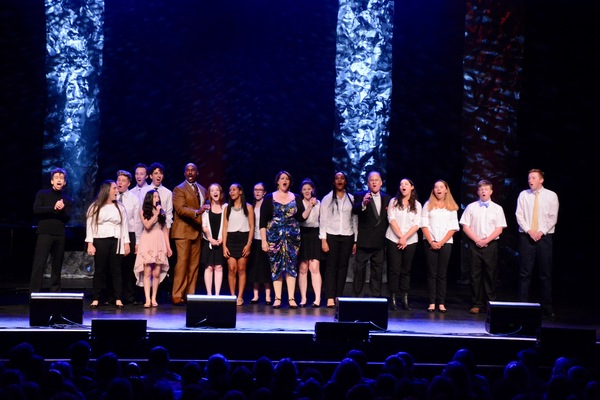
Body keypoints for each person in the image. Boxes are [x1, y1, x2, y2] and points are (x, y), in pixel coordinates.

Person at [259, 170, 307, 309]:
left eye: (287, 178)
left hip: (292, 237)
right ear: (278, 182)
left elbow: (301, 218)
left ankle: (291, 298)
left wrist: (310, 207)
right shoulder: (269, 198)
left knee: (291, 266)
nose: (284, 180)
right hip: (274, 236)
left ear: (289, 182)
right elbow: (262, 222)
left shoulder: (296, 197)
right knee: (276, 266)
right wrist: (264, 240)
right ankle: (278, 298)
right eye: (282, 178)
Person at [515, 168, 559, 318]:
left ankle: (547, 306)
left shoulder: (551, 195)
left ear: (541, 180)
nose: (530, 180)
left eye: (533, 178)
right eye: (529, 178)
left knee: (545, 273)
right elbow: (519, 215)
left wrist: (541, 232)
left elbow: (553, 217)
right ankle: (522, 306)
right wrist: (529, 231)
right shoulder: (523, 195)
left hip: (544, 237)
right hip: (527, 236)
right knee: (524, 273)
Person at [459, 179, 507, 314]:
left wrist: (486, 241)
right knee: (474, 275)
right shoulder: (471, 207)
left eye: (485, 189)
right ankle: (476, 303)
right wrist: (477, 240)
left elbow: (499, 229)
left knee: (490, 274)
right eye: (480, 189)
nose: (483, 191)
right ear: (478, 192)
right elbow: (465, 226)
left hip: (490, 244)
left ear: (491, 191)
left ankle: (490, 303)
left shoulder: (497, 208)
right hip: (475, 244)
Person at [85, 180, 130, 309]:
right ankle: (96, 298)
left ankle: (117, 298)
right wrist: (90, 243)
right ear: (107, 190)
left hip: (115, 240)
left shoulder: (120, 207)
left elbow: (124, 226)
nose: (117, 191)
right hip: (100, 240)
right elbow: (90, 225)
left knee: (116, 270)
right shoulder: (95, 207)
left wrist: (126, 243)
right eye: (114, 188)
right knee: (99, 270)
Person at [29, 167, 74, 293]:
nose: (59, 180)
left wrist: (62, 209)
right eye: (56, 178)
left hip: (59, 235)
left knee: (57, 265)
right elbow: (36, 210)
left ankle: (55, 293)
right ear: (52, 181)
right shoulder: (42, 194)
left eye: (62, 178)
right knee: (39, 264)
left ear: (64, 182)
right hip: (44, 233)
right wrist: (53, 208)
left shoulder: (68, 200)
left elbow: (67, 218)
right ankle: (34, 293)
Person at [170, 163, 208, 305]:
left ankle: (189, 294)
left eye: (193, 170)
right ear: (184, 173)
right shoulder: (179, 189)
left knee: (194, 265)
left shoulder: (203, 190)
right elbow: (180, 209)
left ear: (197, 173)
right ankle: (177, 294)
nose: (190, 172)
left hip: (197, 232)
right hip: (183, 231)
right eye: (188, 170)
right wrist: (197, 212)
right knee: (182, 264)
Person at [421, 179, 460, 313]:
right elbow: (424, 225)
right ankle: (432, 302)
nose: (438, 189)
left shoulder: (452, 207)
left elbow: (453, 227)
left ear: (446, 190)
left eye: (441, 187)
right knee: (432, 273)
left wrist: (441, 242)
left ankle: (441, 303)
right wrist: (432, 241)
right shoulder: (427, 205)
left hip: (446, 243)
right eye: (436, 187)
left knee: (442, 274)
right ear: (433, 190)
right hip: (430, 242)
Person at [319, 172, 357, 308]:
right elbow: (322, 220)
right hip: (331, 235)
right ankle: (329, 296)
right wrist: (323, 239)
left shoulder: (351, 198)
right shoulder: (327, 199)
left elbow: (355, 220)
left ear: (345, 182)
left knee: (343, 267)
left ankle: (338, 296)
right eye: (337, 178)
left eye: (342, 178)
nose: (339, 180)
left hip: (347, 235)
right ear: (333, 182)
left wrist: (355, 241)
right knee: (331, 267)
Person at [352, 171, 392, 298]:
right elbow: (355, 210)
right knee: (359, 271)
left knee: (377, 271)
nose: (374, 182)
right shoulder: (360, 195)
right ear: (368, 183)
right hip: (364, 241)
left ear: (381, 182)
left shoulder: (387, 198)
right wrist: (363, 204)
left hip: (379, 242)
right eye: (371, 180)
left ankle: (375, 297)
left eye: (376, 180)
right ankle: (357, 297)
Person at [385, 178, 422, 311]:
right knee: (394, 269)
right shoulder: (393, 202)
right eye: (401, 184)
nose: (403, 186)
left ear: (412, 187)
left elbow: (417, 224)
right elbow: (391, 219)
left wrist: (405, 238)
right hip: (394, 238)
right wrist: (401, 237)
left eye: (406, 184)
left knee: (406, 270)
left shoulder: (417, 205)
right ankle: (393, 300)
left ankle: (405, 300)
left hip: (410, 240)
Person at [134, 189, 172, 307]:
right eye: (155, 197)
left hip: (159, 240)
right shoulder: (143, 211)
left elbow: (164, 230)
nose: (157, 199)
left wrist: (168, 247)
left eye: (158, 196)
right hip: (148, 240)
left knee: (156, 272)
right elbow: (147, 225)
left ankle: (154, 298)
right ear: (150, 198)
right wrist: (155, 213)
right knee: (147, 271)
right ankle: (147, 299)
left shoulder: (161, 212)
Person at [223, 183, 254, 306]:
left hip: (243, 238)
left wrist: (248, 244)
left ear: (240, 191)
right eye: (230, 190)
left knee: (241, 269)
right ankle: (232, 296)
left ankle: (240, 296)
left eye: (234, 190)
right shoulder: (227, 208)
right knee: (231, 269)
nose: (231, 192)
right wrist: (224, 246)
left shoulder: (248, 207)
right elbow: (224, 228)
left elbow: (252, 227)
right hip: (231, 239)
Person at [116, 169, 142, 305]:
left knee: (128, 267)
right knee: (115, 267)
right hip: (115, 234)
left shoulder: (134, 199)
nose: (120, 183)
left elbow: (138, 221)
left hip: (130, 234)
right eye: (118, 180)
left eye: (123, 180)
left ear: (129, 183)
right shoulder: (112, 197)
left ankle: (129, 296)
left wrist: (137, 241)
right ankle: (114, 296)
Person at [297, 178, 323, 307]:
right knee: (303, 268)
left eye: (309, 189)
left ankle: (317, 298)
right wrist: (309, 206)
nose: (307, 191)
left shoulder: (319, 203)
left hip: (315, 235)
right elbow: (302, 219)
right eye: (304, 189)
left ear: (313, 189)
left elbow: (322, 220)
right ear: (301, 191)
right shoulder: (299, 202)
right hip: (302, 234)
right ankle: (303, 298)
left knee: (314, 267)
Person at [248, 182, 273, 305]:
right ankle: (255, 295)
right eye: (255, 189)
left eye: (260, 190)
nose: (257, 192)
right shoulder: (250, 207)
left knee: (266, 268)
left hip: (266, 240)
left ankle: (268, 296)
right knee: (255, 268)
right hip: (254, 240)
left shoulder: (268, 205)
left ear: (264, 192)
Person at [201, 183, 226, 295]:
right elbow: (204, 226)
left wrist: (221, 238)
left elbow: (227, 225)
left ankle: (217, 294)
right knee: (209, 267)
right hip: (209, 241)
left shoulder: (225, 207)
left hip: (221, 241)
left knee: (219, 267)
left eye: (217, 190)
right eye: (212, 190)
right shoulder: (206, 208)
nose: (215, 192)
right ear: (209, 194)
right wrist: (210, 238)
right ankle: (209, 294)